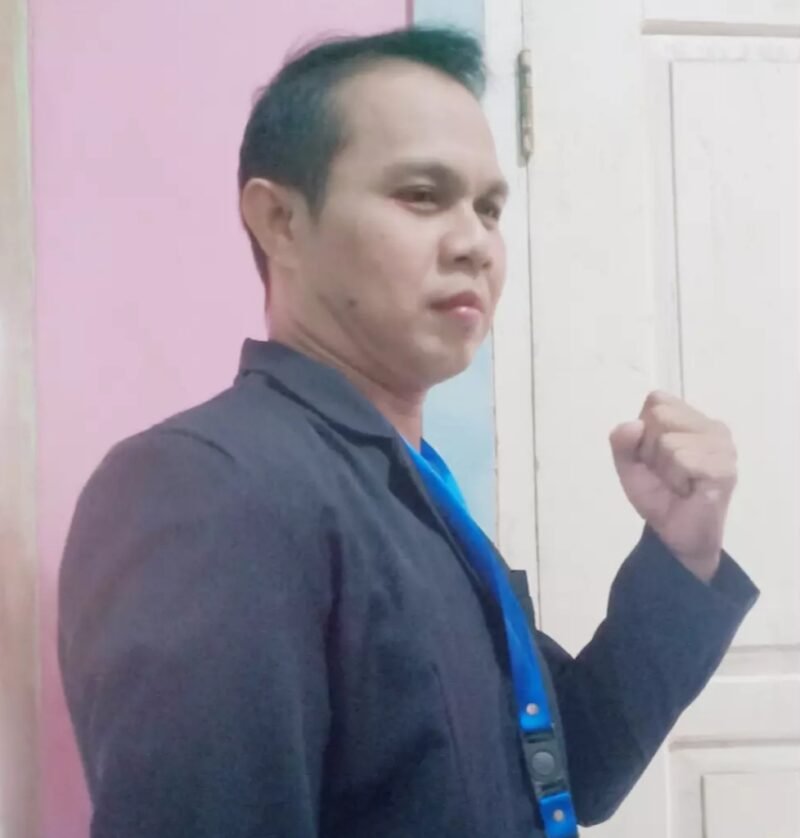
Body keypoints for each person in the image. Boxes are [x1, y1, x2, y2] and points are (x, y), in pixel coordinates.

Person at [59, 26, 758, 838]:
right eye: (422, 195)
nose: (474, 244)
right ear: (280, 220)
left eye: (488, 208)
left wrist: (683, 556)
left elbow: (566, 773)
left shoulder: (406, 485)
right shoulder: (209, 488)